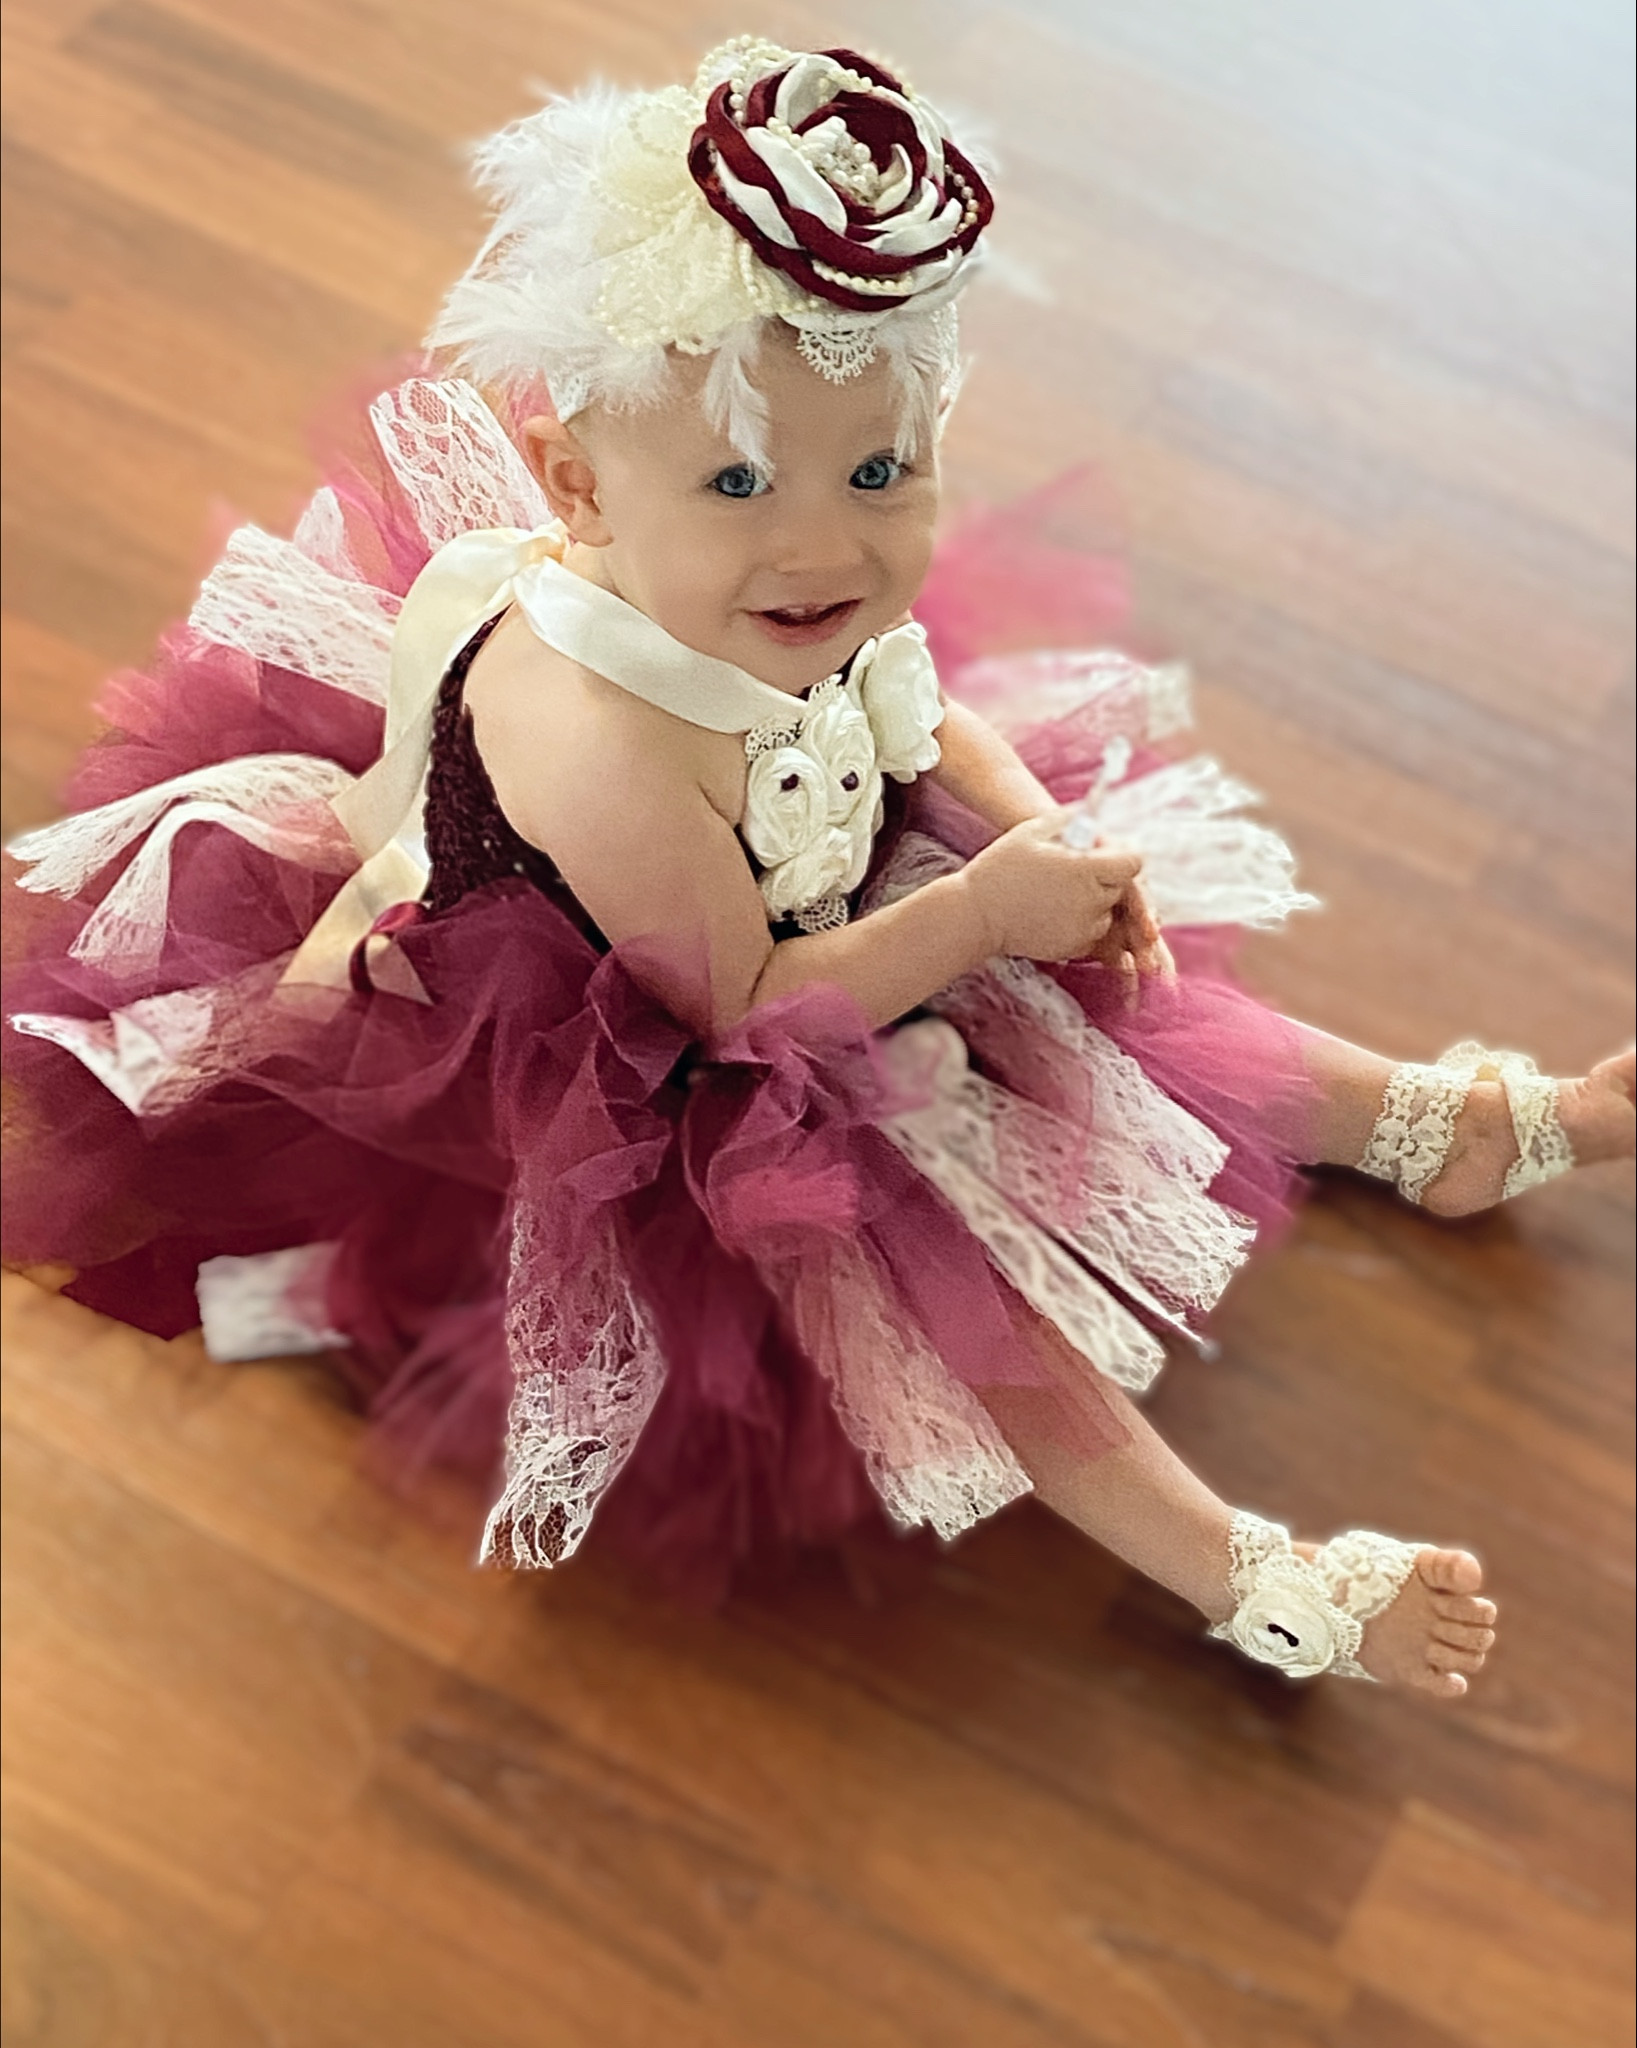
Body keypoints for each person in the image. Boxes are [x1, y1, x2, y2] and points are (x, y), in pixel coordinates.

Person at [4, 37, 1631, 1695]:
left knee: (1131, 1004)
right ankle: (1244, 1574)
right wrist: (978, 912)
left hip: (826, 891)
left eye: (879, 472)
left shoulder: (780, 589)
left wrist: (1030, 842)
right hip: (655, 1039)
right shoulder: (595, 740)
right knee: (946, 1281)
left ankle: (1434, 1124)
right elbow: (742, 1010)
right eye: (734, 481)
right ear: (576, 486)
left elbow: (912, 709)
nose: (822, 545)